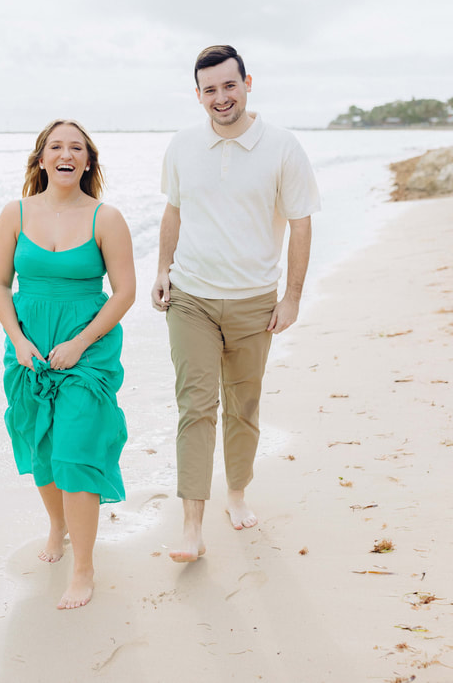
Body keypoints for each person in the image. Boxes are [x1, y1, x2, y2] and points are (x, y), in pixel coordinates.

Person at [151, 45, 320, 563]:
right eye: (210, 89)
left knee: (243, 408)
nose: (221, 98)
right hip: (192, 298)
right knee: (195, 408)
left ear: (248, 83)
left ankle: (238, 493)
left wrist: (291, 296)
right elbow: (173, 212)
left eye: (229, 86)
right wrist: (162, 269)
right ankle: (192, 527)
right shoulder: (182, 145)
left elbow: (301, 223)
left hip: (253, 301)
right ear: (197, 95)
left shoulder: (283, 147)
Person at [0, 119, 135, 609]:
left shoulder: (106, 218)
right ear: (41, 158)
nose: (66, 153)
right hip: (29, 347)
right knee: (41, 447)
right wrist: (17, 339)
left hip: (87, 350)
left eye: (76, 147)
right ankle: (56, 525)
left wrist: (80, 342)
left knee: (76, 449)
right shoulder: (14, 213)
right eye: (56, 146)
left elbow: (125, 292)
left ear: (88, 161)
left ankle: (84, 567)